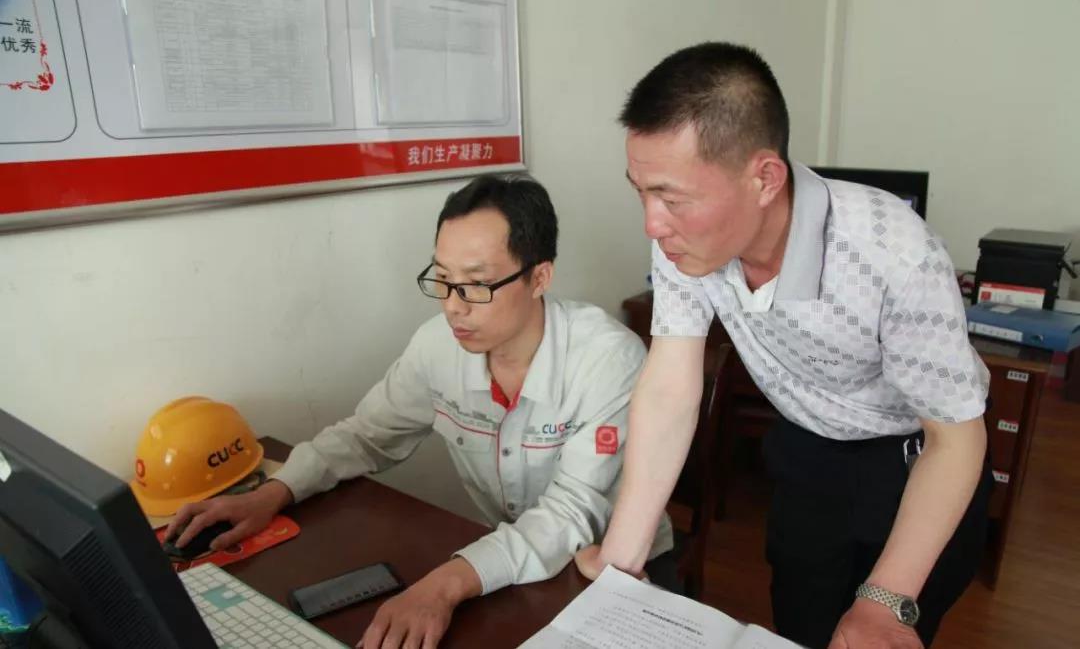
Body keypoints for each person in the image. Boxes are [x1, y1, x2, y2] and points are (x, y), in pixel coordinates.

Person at [575, 42, 991, 649]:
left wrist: (882, 602)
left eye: (671, 197)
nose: (652, 223)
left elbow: (956, 439)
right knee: (802, 622)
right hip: (808, 447)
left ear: (765, 178)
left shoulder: (893, 251)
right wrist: (622, 558)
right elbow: (669, 389)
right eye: (641, 191)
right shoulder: (682, 242)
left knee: (875, 633)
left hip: (917, 458)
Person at [166, 174, 674, 649]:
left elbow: (570, 514)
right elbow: (366, 436)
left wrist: (443, 585)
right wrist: (272, 493)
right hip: (502, 566)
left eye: (475, 284)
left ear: (539, 277)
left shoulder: (606, 359)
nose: (453, 306)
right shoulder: (439, 347)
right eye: (443, 279)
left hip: (612, 569)